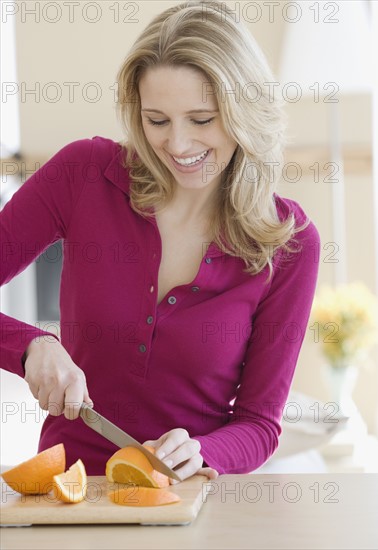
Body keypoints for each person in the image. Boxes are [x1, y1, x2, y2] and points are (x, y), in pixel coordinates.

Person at [0, 0, 320, 481]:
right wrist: (30, 346)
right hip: (67, 492)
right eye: (157, 120)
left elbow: (258, 425)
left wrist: (203, 452)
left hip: (187, 502)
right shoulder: (84, 174)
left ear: (245, 111)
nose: (178, 145)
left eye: (201, 119)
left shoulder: (289, 245)